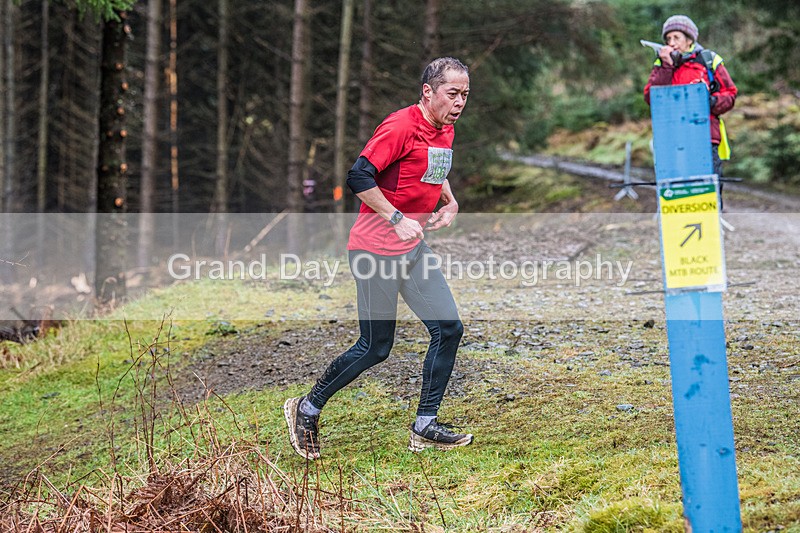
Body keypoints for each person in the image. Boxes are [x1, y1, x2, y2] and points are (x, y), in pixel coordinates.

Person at [283, 57, 474, 460]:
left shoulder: (445, 128)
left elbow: (434, 168)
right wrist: (396, 217)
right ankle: (308, 406)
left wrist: (451, 201)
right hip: (375, 250)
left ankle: (424, 426)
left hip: (412, 248)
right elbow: (358, 177)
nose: (459, 102)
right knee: (375, 346)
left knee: (449, 329)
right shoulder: (400, 126)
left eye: (465, 95)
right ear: (428, 92)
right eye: (452, 94)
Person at [644, 15, 738, 205]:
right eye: (668, 39)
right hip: (673, 140)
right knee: (679, 192)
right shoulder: (662, 65)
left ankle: (711, 230)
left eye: (676, 38)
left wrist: (709, 102)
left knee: (708, 192)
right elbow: (651, 97)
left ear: (689, 39)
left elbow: (730, 93)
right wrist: (666, 67)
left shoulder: (708, 60)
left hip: (706, 138)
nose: (671, 43)